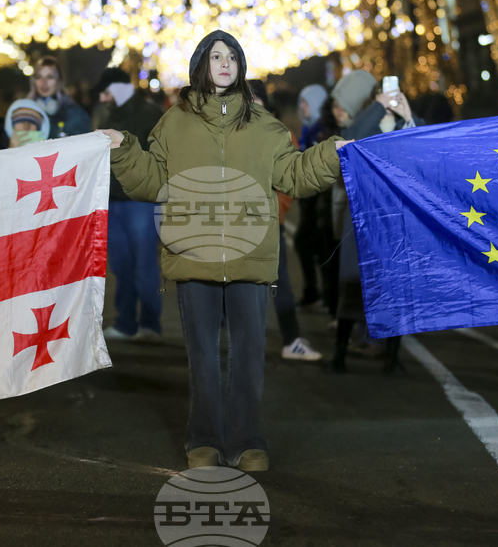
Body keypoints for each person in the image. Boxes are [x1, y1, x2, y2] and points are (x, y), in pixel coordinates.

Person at [100, 30, 351, 472]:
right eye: (215, 55)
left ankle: (248, 442)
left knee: (249, 355)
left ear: (241, 66)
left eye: (231, 55)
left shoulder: (265, 125)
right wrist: (124, 150)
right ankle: (204, 442)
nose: (224, 62)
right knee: (202, 357)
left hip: (250, 257)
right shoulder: (173, 122)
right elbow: (152, 180)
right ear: (201, 64)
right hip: (193, 255)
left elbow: (293, 175)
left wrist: (333, 154)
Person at [328, 72, 423, 374]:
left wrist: (407, 117)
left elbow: (425, 145)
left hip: (393, 221)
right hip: (363, 220)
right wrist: (379, 108)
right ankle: (339, 355)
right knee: (354, 290)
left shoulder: (399, 121)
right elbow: (351, 138)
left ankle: (392, 357)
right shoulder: (364, 121)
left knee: (395, 289)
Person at [248, 79, 322, 362]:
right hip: (236, 222)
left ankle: (291, 339)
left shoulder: (280, 133)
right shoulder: (228, 132)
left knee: (279, 281)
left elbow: (289, 179)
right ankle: (234, 338)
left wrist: (276, 210)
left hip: (268, 222)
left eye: (255, 101)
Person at [94, 67, 165, 343]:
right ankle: (126, 322)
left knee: (144, 264)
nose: (103, 97)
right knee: (121, 265)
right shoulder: (109, 113)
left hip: (140, 202)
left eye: (107, 91)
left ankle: (149, 323)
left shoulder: (148, 114)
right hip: (114, 200)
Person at [294, 84, 330, 310]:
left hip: (320, 200)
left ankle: (323, 295)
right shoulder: (308, 130)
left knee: (318, 247)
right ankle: (316, 292)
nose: (301, 109)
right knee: (307, 244)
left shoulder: (322, 131)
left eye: (305, 104)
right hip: (310, 200)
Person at [29, 56, 92, 139]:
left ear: (59, 81)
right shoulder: (25, 112)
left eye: (50, 77)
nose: (44, 82)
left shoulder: (76, 114)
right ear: (34, 81)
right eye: (39, 77)